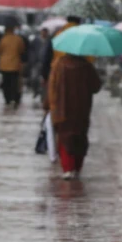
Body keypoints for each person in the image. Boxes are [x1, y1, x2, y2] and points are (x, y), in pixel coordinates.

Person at [46, 52, 103, 180]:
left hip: (62, 109)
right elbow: (96, 87)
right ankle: (77, 168)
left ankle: (68, 168)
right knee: (80, 136)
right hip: (82, 109)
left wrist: (50, 105)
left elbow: (52, 87)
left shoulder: (59, 65)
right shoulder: (87, 66)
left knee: (64, 136)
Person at [0, 28, 28, 106]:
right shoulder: (18, 39)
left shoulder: (2, 39)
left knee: (6, 82)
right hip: (15, 64)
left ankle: (7, 98)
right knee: (14, 82)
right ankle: (14, 97)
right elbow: (22, 50)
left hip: (4, 65)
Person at [28, 27, 53, 102]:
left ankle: (43, 94)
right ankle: (36, 91)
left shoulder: (49, 41)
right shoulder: (36, 40)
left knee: (44, 79)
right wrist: (32, 60)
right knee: (34, 78)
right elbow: (31, 50)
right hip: (36, 62)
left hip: (45, 63)